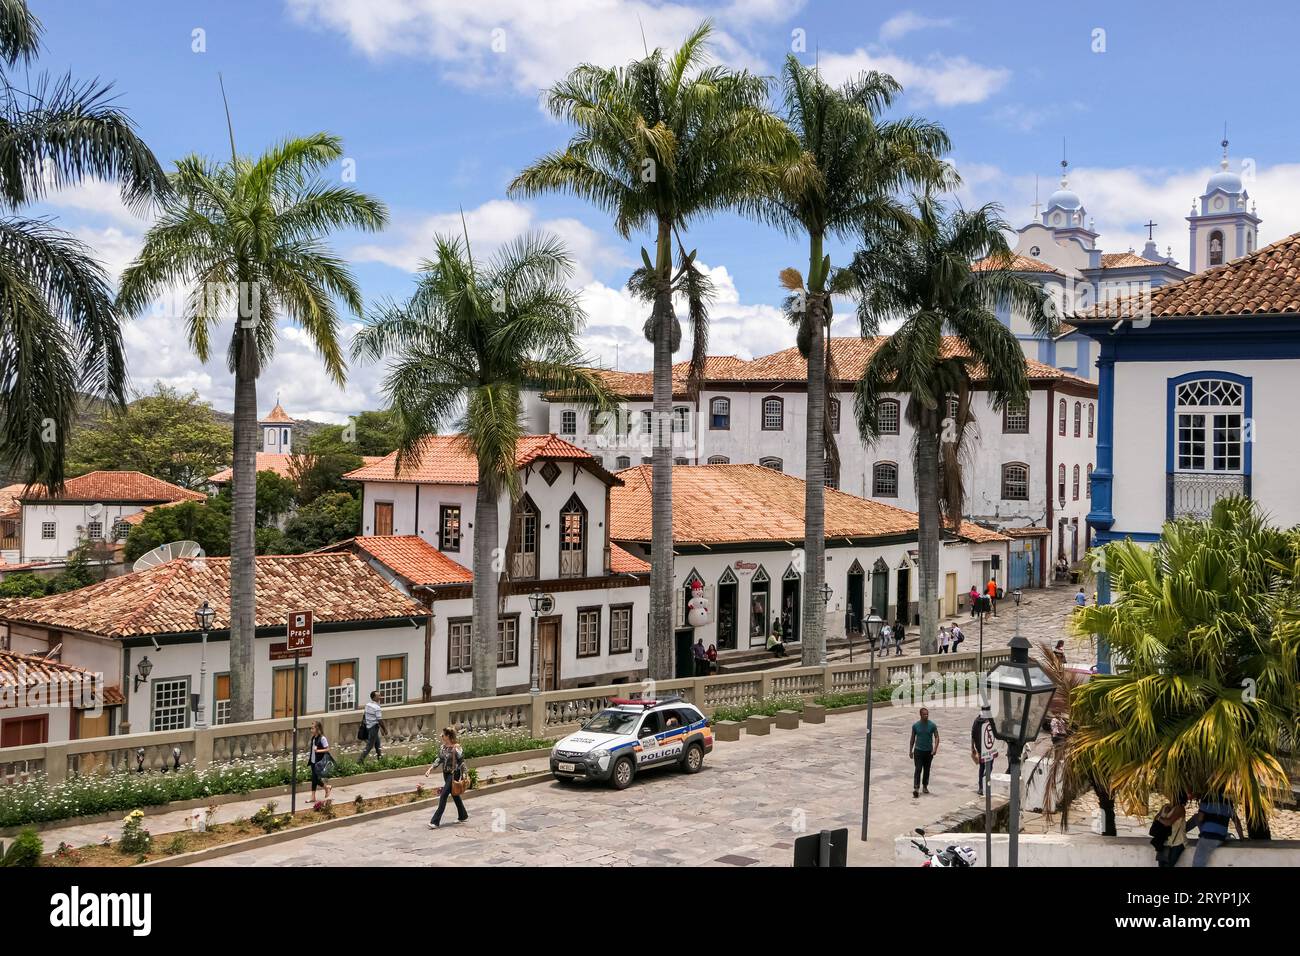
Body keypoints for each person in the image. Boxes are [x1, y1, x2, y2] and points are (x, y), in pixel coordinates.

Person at [425, 726, 469, 828]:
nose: (441, 736)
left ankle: (435, 821)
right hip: (445, 774)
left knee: (444, 795)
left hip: (454, 774)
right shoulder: (443, 747)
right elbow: (439, 760)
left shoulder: (456, 748)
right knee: (454, 794)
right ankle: (463, 815)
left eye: (443, 735)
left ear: (448, 736)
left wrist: (464, 774)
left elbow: (462, 762)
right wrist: (430, 769)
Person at [1188, 792, 1243, 867]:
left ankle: (1182, 832)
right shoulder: (1228, 802)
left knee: (1198, 863)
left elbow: (1200, 818)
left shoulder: (1206, 799)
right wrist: (1242, 838)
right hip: (1221, 837)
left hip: (1208, 836)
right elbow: (1237, 822)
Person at [909, 707, 940, 798]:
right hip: (918, 751)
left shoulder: (932, 725)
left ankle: (925, 786)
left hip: (928, 752)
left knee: (927, 769)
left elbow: (937, 737)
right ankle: (916, 788)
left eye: (927, 714)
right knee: (918, 769)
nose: (926, 716)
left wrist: (935, 749)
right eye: (924, 714)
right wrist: (910, 750)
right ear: (920, 715)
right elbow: (912, 738)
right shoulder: (915, 726)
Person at [1152, 795, 1188, 868]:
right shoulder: (1166, 806)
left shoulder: (1180, 808)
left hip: (1177, 842)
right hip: (1165, 841)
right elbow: (1156, 819)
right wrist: (1162, 815)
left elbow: (1168, 822)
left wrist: (1160, 818)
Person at [970, 705, 994, 796]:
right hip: (988, 748)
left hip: (980, 748)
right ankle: (984, 783)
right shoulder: (988, 721)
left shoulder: (977, 720)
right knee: (989, 767)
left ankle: (981, 786)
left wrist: (972, 747)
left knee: (982, 767)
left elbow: (972, 734)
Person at [357, 690, 386, 763]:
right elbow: (379, 720)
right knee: (369, 746)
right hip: (374, 727)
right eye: (378, 696)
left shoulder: (367, 705)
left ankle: (380, 758)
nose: (380, 697)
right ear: (373, 698)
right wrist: (385, 729)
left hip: (368, 726)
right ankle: (359, 761)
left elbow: (364, 715)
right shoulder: (376, 708)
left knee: (377, 744)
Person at [308, 720, 333, 801]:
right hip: (313, 761)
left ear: (317, 728)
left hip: (319, 762)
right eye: (310, 728)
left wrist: (318, 750)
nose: (311, 730)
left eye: (312, 728)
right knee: (314, 778)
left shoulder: (322, 738)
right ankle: (315, 796)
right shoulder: (313, 738)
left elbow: (328, 749)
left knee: (315, 779)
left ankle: (326, 788)